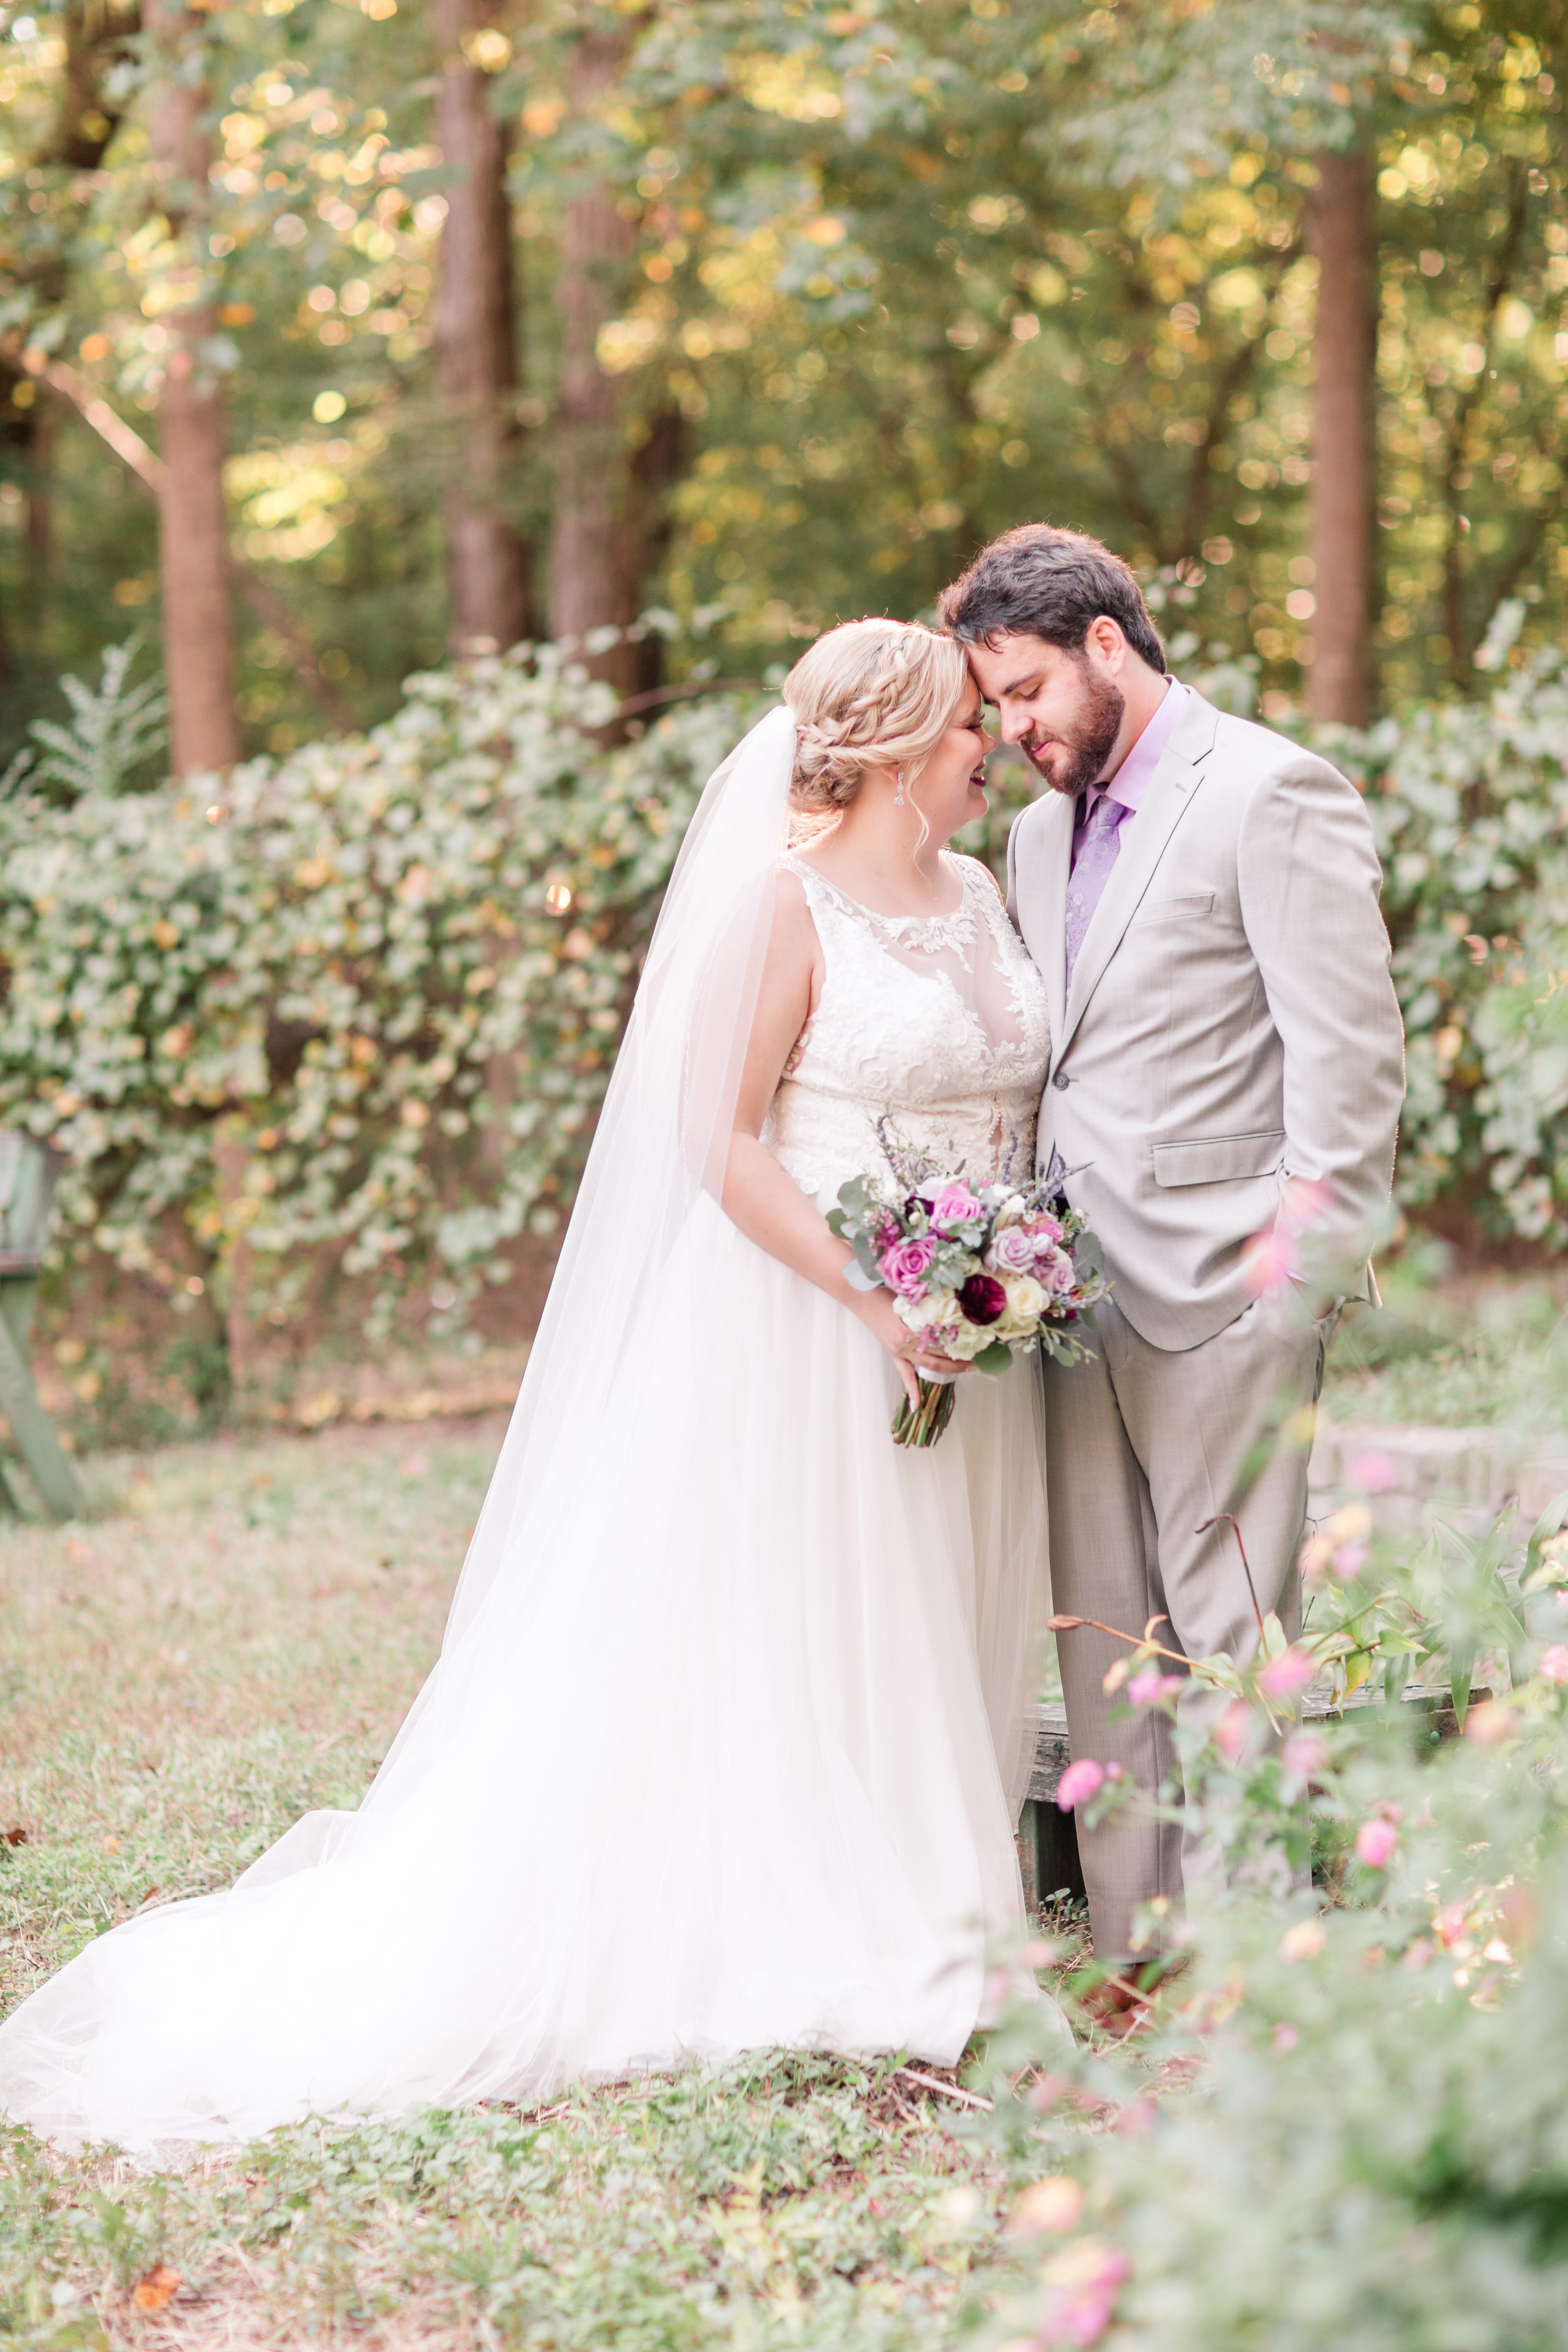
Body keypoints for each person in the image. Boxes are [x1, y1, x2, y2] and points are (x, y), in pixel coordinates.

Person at [0, 619, 1068, 2159]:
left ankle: (940, 1888)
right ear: (903, 745)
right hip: (811, 1323)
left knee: (924, 1594)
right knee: (810, 1609)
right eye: (971, 722)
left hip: (967, 1319)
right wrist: (872, 1293)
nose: (996, 745)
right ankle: (824, 1909)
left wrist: (991, 1270)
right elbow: (719, 1141)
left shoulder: (982, 891)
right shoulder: (781, 904)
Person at [941, 525, 1406, 2019]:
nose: (1014, 730)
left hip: (1228, 1290)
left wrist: (1297, 1286)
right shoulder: (1033, 837)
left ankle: (1263, 1957)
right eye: (995, 706)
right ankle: (1141, 1950)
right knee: (1103, 1633)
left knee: (1234, 1630)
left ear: (1106, 643)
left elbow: (1351, 1062)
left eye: (1025, 692)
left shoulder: (1270, 792)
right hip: (1070, 1296)